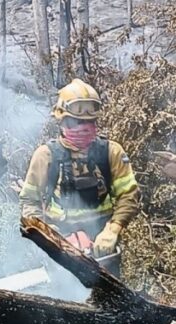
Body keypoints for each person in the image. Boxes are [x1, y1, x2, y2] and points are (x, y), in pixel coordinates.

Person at [19, 78, 140, 258]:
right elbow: (29, 201)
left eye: (89, 122)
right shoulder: (46, 156)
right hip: (61, 242)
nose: (83, 128)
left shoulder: (111, 152)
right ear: (61, 121)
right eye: (76, 122)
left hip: (102, 244)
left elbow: (129, 195)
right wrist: (48, 234)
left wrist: (112, 230)